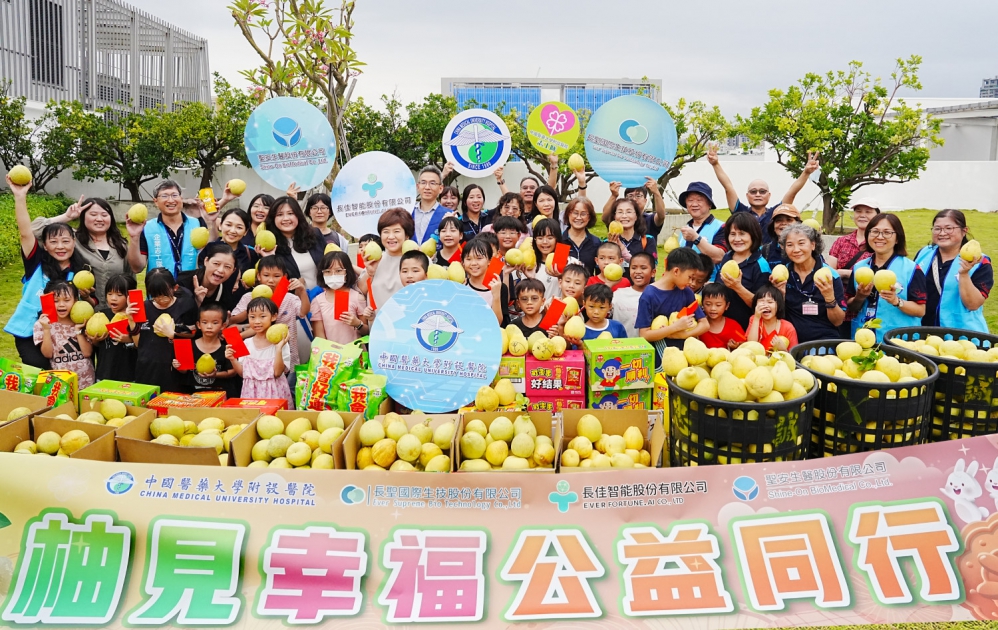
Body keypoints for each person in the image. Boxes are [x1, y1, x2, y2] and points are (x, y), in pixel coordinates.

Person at [5, 174, 91, 368]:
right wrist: (20, 196)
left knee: (64, 374)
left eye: (65, 241)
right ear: (45, 245)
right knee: (38, 368)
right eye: (53, 241)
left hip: (63, 333)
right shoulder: (36, 262)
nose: (60, 246)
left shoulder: (81, 272)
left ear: (74, 242)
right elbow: (26, 232)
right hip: (29, 329)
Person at [32, 195, 133, 308]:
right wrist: (66, 217)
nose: (99, 219)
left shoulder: (121, 245)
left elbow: (130, 279)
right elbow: (34, 231)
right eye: (93, 214)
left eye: (104, 215)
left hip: (117, 311)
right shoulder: (71, 240)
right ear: (83, 216)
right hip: (81, 311)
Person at [846, 213, 926, 341]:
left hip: (898, 340)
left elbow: (920, 310)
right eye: (875, 231)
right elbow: (851, 306)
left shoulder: (911, 269)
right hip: (864, 339)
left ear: (897, 238)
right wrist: (859, 297)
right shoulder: (859, 267)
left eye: (887, 232)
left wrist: (896, 301)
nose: (880, 237)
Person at [709, 145, 819, 237]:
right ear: (747, 195)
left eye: (762, 191)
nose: (758, 194)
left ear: (769, 195)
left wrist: (806, 172)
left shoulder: (776, 213)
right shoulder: (740, 212)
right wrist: (715, 164)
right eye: (753, 191)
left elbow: (792, 192)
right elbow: (728, 187)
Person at [914, 210, 992, 332]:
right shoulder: (924, 253)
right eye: (937, 228)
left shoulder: (979, 262)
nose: (942, 233)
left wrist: (964, 274)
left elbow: (973, 304)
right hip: (923, 331)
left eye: (949, 228)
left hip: (961, 334)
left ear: (964, 231)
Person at [771, 224, 846, 343]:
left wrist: (829, 298)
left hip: (824, 341)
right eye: (790, 245)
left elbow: (838, 321)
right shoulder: (782, 274)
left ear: (813, 245)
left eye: (801, 243)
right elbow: (775, 317)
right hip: (789, 340)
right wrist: (780, 296)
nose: (796, 250)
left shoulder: (830, 276)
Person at [126, 180, 217, 277]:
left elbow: (211, 251)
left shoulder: (197, 223)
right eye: (164, 196)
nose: (170, 200)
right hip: (159, 285)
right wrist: (134, 237)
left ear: (181, 198)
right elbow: (137, 268)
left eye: (174, 195)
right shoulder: (147, 228)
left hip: (191, 285)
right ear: (156, 201)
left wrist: (211, 222)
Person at [230, 257, 307, 370]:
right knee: (230, 332)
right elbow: (232, 321)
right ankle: (240, 368)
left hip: (285, 359)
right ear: (258, 276)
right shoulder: (248, 297)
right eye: (266, 275)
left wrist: (302, 291)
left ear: (284, 277)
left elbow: (303, 312)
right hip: (254, 361)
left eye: (276, 276)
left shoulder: (289, 298)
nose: (271, 280)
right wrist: (254, 306)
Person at [637, 248, 709, 367]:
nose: (691, 283)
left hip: (685, 357)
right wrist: (675, 328)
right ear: (676, 271)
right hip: (660, 360)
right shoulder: (649, 295)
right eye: (690, 277)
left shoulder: (687, 292)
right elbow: (644, 335)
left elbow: (705, 324)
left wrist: (683, 335)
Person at [133, 268, 197, 392]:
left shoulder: (186, 306)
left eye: (164, 294)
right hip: (148, 369)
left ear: (175, 288)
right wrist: (131, 319)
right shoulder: (144, 308)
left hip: (174, 371)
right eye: (155, 296)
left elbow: (193, 336)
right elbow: (138, 343)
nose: (160, 299)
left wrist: (174, 334)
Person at [228, 297, 293, 408]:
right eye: (252, 317)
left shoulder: (281, 343)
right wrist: (232, 359)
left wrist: (278, 349)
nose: (257, 321)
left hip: (275, 394)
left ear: (273, 316)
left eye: (262, 316)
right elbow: (243, 373)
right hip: (251, 395)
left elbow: (277, 373)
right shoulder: (246, 343)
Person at [34, 280, 96, 388]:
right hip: (61, 383)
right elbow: (48, 354)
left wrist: (78, 330)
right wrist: (46, 329)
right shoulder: (42, 324)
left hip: (86, 381)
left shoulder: (82, 321)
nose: (61, 304)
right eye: (56, 301)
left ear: (75, 300)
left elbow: (87, 353)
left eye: (67, 300)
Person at [716, 212, 772, 330]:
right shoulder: (727, 257)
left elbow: (762, 305)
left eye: (742, 234)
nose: (737, 239)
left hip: (747, 330)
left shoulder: (761, 265)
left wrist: (738, 287)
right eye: (732, 234)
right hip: (722, 327)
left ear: (753, 235)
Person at [172, 302, 239, 397]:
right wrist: (178, 366)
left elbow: (233, 372)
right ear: (198, 324)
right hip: (191, 396)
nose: (209, 326)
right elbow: (184, 371)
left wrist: (215, 374)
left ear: (223, 325)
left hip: (219, 395)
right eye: (205, 322)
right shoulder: (186, 345)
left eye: (215, 323)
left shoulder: (229, 345)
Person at [263, 196, 325, 291]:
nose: (286, 218)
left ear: (298, 215)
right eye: (279, 214)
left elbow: (331, 263)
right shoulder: (270, 246)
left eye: (290, 213)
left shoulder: (315, 235)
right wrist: (270, 258)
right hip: (295, 298)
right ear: (273, 218)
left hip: (324, 296)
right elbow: (275, 287)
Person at [310, 251, 369, 343]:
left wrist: (357, 324)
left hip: (355, 351)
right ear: (322, 274)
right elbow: (319, 337)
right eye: (328, 271)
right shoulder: (317, 301)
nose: (333, 275)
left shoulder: (357, 298)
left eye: (338, 271)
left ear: (347, 272)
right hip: (330, 351)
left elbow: (367, 331)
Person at [91, 274, 139, 382]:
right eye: (109, 294)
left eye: (119, 295)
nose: (113, 298)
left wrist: (129, 340)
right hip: (105, 373)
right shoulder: (101, 315)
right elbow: (97, 345)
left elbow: (142, 344)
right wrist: (95, 340)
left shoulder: (134, 318)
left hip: (129, 376)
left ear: (130, 296)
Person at [364, 208, 413, 308]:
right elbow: (361, 291)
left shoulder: (418, 259)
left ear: (407, 235)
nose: (390, 236)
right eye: (386, 231)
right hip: (378, 318)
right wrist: (369, 273)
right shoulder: (375, 260)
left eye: (396, 231)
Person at [180, 243, 240, 313]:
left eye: (227, 267)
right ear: (206, 261)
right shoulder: (183, 283)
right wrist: (196, 303)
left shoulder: (227, 289)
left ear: (233, 270)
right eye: (216, 264)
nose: (220, 270)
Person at [601, 177, 667, 240]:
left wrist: (656, 192)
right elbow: (605, 218)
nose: (634, 199)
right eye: (630, 196)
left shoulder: (650, 220)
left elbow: (661, 216)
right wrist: (614, 195)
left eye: (638, 196)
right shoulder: (619, 218)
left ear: (645, 201)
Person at [827, 198, 878, 280]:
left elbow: (879, 273)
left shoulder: (879, 243)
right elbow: (829, 270)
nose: (862, 215)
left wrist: (845, 273)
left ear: (878, 215)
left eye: (868, 212)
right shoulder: (841, 241)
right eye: (858, 211)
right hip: (839, 287)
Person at [676, 182, 726, 265]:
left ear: (709, 204)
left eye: (699, 200)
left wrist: (696, 238)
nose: (694, 204)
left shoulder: (721, 227)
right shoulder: (685, 229)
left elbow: (719, 257)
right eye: (690, 200)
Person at [605, 197, 657, 276]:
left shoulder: (648, 240)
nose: (624, 216)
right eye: (620, 212)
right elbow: (602, 270)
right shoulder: (606, 242)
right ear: (614, 216)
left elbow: (652, 267)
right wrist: (612, 249)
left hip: (640, 284)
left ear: (636, 216)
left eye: (629, 212)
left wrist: (623, 250)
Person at [530, 218, 580, 298]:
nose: (545, 242)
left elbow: (581, 296)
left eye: (550, 238)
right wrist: (530, 279)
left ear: (557, 239)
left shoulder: (572, 263)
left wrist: (562, 277)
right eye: (540, 238)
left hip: (562, 305)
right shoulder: (530, 265)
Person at [462, 238, 506, 326]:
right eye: (468, 259)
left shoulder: (498, 287)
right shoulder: (461, 285)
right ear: (463, 262)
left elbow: (497, 323)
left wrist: (496, 296)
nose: (473, 263)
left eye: (479, 258)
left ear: (489, 260)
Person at [613, 252, 654, 338]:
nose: (638, 272)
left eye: (643, 268)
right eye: (634, 268)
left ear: (653, 272)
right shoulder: (618, 294)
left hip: (647, 345)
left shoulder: (656, 296)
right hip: (620, 344)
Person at [747, 285, 798, 352]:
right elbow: (750, 346)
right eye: (761, 302)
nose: (765, 305)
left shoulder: (788, 328)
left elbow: (794, 355)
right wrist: (756, 318)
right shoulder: (754, 319)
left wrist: (783, 350)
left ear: (778, 305)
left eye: (770, 302)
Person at [699, 282, 746, 350]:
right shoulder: (699, 324)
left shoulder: (733, 326)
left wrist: (736, 346)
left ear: (727, 306)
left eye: (718, 305)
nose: (713, 308)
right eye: (708, 304)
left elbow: (745, 344)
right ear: (702, 304)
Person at [562, 197, 601, 276]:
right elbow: (558, 270)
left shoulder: (595, 242)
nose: (579, 217)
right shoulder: (561, 240)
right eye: (575, 213)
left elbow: (599, 273)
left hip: (588, 283)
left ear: (589, 217)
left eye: (583, 214)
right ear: (568, 214)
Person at [412, 165, 449, 245]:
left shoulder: (448, 215)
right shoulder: (407, 212)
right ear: (418, 187)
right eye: (423, 183)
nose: (427, 187)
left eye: (432, 183)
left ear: (440, 188)